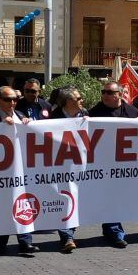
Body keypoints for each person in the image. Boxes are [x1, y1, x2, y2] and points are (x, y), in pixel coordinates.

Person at [0, 86, 39, 255]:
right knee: (2, 206)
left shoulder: (21, 116)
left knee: (23, 202)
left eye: (15, 99)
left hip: (21, 170)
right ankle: (1, 243)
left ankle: (25, 242)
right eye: (7, 99)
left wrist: (28, 124)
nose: (12, 102)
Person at [88, 81, 138, 248]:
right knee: (110, 197)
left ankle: (109, 228)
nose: (104, 95)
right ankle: (116, 232)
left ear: (120, 94)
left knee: (119, 198)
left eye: (109, 92)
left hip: (127, 165)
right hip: (103, 164)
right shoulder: (94, 113)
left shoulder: (132, 112)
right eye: (103, 92)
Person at [49, 87, 87, 252]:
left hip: (82, 168)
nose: (81, 101)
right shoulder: (52, 119)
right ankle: (67, 237)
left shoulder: (86, 115)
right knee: (65, 200)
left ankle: (69, 233)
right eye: (78, 98)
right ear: (68, 102)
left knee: (77, 200)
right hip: (60, 168)